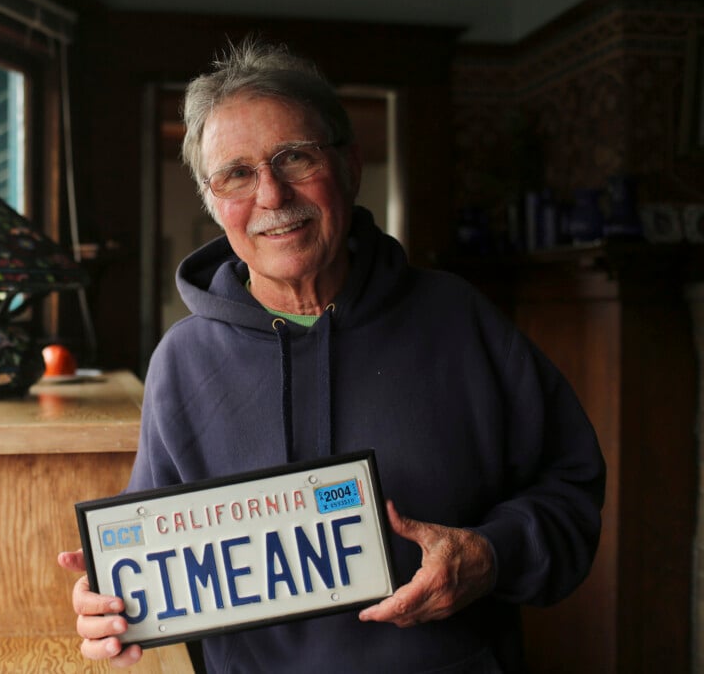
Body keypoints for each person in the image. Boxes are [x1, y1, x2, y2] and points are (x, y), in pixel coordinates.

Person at [57, 37, 605, 673]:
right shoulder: (182, 361)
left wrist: (492, 553)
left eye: (294, 157)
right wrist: (113, 606)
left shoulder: (460, 320)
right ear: (214, 203)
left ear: (349, 166)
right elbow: (155, 558)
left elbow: (571, 489)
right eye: (236, 174)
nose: (270, 194)